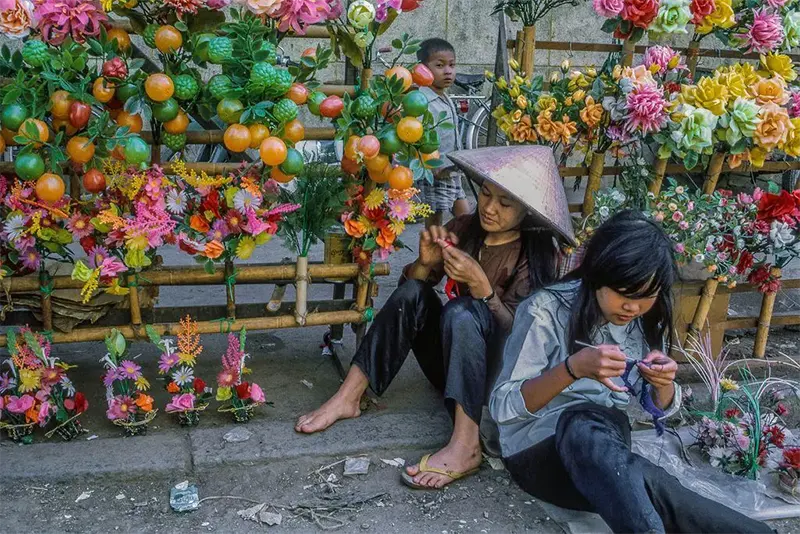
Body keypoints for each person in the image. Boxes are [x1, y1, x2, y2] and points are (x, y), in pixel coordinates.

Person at [296, 145, 575, 490]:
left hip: (498, 378)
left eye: (505, 204)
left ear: (527, 210)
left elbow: (526, 342)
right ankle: (349, 396)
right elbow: (408, 299)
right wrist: (425, 264)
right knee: (415, 293)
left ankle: (467, 443)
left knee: (463, 310)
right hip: (451, 366)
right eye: (486, 194)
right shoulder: (464, 227)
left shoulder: (537, 255)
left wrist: (484, 290)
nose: (489, 208)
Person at [490, 210, 774, 534]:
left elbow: (649, 411)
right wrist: (571, 369)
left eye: (646, 296)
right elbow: (503, 407)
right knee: (588, 429)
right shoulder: (546, 311)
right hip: (539, 455)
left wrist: (663, 385)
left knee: (654, 486)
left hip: (606, 457)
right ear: (596, 275)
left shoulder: (644, 323)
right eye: (624, 292)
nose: (633, 307)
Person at [416, 38, 471, 228]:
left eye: (452, 65)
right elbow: (416, 137)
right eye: (439, 65)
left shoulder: (443, 95)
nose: (448, 71)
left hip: (451, 170)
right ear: (422, 69)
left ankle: (464, 251)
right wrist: (430, 166)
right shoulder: (421, 100)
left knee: (465, 219)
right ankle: (432, 255)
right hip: (435, 173)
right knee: (434, 223)